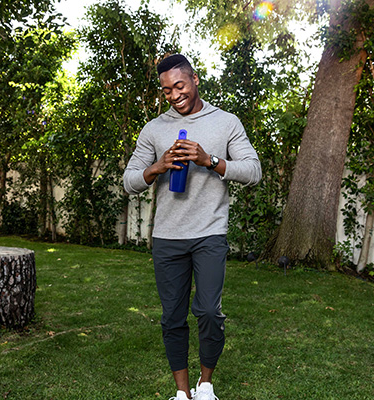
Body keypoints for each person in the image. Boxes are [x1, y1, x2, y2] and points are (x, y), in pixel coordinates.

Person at [123, 54, 261, 400]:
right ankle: (181, 394)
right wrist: (157, 167)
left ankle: (206, 386)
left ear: (195, 79)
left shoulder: (226, 122)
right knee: (172, 316)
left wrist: (209, 161)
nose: (173, 95)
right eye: (166, 90)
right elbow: (128, 181)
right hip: (168, 236)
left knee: (209, 311)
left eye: (179, 86)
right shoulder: (154, 129)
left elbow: (253, 171)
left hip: (209, 232)